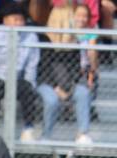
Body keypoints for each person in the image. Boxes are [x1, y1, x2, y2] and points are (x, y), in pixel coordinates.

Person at [0, 2, 41, 140]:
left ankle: (28, 128)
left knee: (28, 90)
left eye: (21, 20)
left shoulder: (31, 36)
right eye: (15, 19)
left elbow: (32, 65)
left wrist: (30, 82)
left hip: (19, 77)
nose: (19, 23)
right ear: (5, 20)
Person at [39, 2, 97, 144]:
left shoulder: (74, 43)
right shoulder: (44, 41)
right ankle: (46, 135)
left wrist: (68, 89)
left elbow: (75, 72)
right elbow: (42, 70)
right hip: (47, 84)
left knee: (83, 93)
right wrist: (56, 88)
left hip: (67, 84)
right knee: (52, 100)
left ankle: (82, 133)